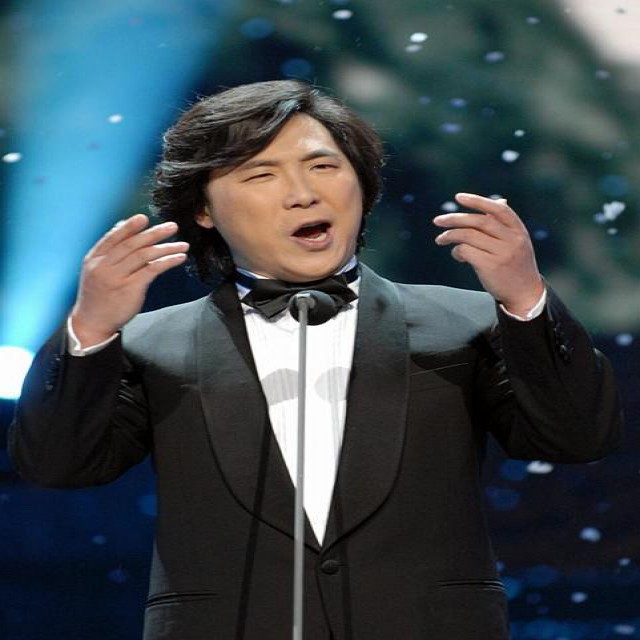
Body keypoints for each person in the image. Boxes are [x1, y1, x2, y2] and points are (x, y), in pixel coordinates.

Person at [9, 80, 622, 640]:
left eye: (323, 166)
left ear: (362, 185)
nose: (303, 194)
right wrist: (91, 328)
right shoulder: (149, 345)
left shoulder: (466, 323)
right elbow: (58, 465)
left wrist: (525, 298)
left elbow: (577, 436)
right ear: (203, 210)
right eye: (261, 175)